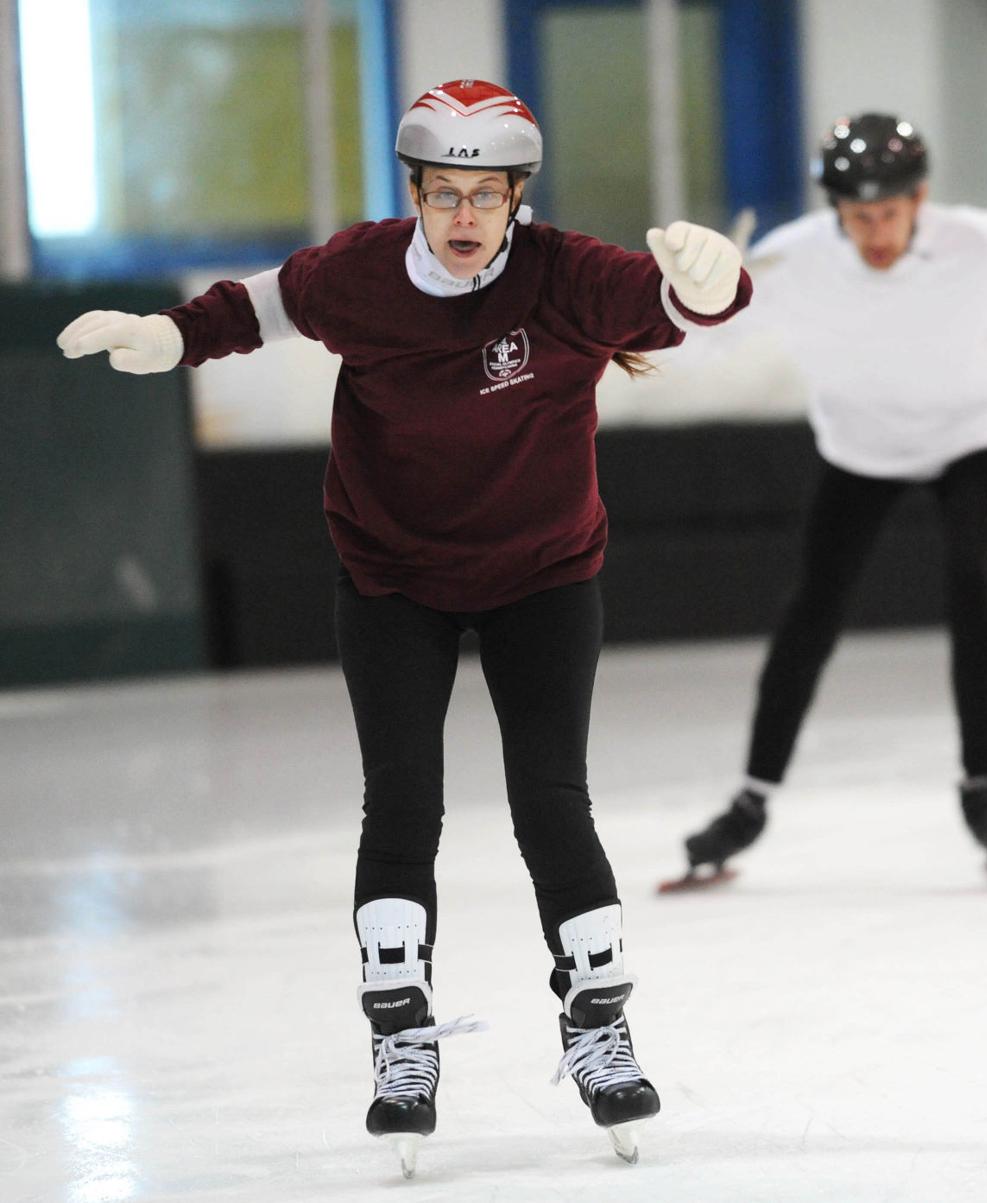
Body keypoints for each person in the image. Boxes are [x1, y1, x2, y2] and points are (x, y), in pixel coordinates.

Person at [57, 78, 751, 1173]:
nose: (465, 216)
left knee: (551, 800)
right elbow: (259, 307)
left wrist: (714, 286)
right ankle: (401, 1038)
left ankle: (599, 1025)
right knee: (402, 803)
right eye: (444, 194)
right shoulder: (363, 274)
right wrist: (168, 335)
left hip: (542, 578)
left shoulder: (565, 273)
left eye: (487, 195)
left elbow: (674, 303)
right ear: (415, 195)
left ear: (517, 197)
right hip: (394, 581)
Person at [676, 112, 987, 888]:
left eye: (888, 213)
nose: (875, 232)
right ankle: (751, 799)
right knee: (813, 606)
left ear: (920, 199)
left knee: (971, 573)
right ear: (834, 210)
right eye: (857, 216)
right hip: (865, 443)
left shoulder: (984, 242)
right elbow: (705, 344)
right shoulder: (789, 259)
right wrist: (691, 298)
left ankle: (982, 785)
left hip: (979, 429)